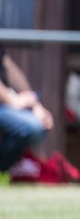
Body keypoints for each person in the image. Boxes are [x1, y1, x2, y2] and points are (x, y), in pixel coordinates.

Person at [0, 42, 53, 175]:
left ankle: (6, 170)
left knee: (39, 124)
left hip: (5, 104)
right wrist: (13, 100)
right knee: (32, 126)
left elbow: (9, 67)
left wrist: (35, 104)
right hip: (6, 102)